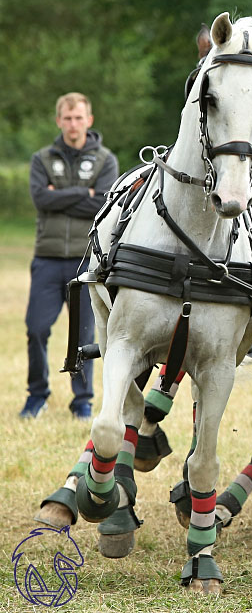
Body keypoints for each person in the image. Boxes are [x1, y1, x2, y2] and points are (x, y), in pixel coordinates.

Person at [20, 92, 118, 419]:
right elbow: (40, 200)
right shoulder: (42, 159)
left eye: (78, 118)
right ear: (58, 121)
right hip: (47, 259)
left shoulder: (105, 160)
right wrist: (84, 193)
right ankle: (36, 396)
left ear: (89, 120)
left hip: (85, 261)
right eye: (67, 118)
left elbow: (103, 203)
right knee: (36, 329)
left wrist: (61, 195)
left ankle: (82, 401)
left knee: (83, 336)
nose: (73, 124)